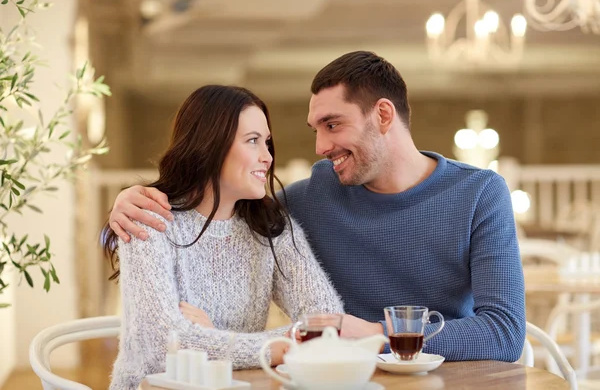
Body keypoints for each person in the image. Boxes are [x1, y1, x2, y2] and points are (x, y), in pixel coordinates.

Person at [108, 51, 526, 362]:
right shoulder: (300, 204)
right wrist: (126, 202)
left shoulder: (480, 193)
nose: (321, 148)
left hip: (449, 380)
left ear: (383, 115)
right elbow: (219, 212)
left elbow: (505, 334)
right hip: (341, 379)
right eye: (315, 129)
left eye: (332, 125)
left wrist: (374, 334)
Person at [103, 85, 344, 390]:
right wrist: (273, 346)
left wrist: (211, 336)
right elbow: (162, 346)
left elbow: (328, 323)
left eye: (267, 143)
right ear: (210, 146)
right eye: (253, 141)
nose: (267, 157)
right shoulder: (149, 220)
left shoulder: (271, 227)